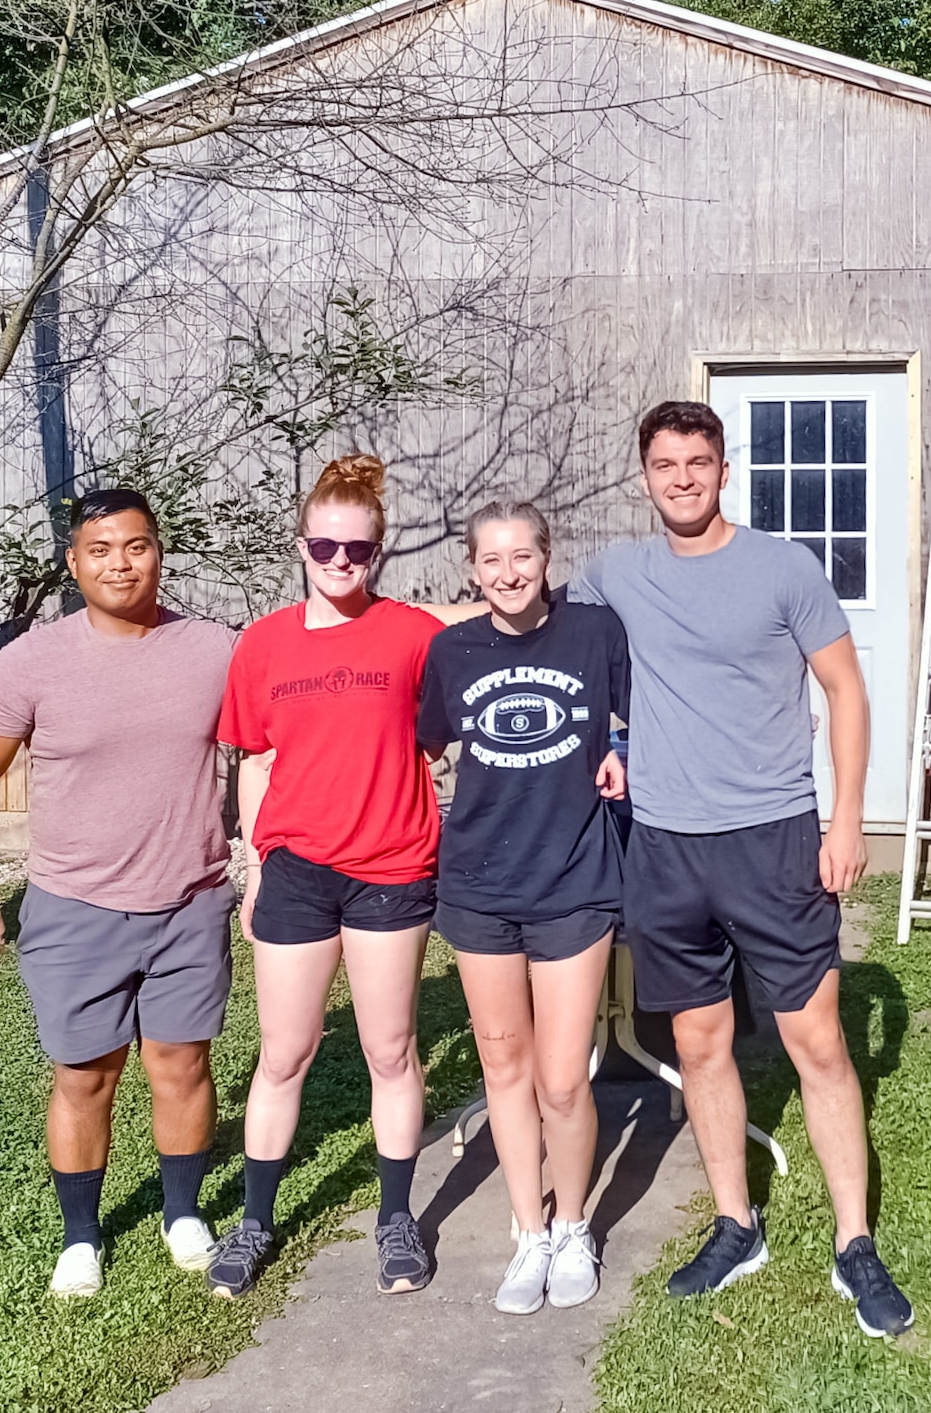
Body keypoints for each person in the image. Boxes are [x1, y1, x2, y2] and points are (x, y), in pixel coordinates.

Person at [568, 400, 915, 1338]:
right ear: (644, 474)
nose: (681, 478)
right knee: (702, 1046)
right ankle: (737, 1224)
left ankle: (853, 1243)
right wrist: (610, 736)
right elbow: (548, 637)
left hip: (773, 838)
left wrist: (844, 820)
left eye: (698, 461)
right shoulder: (616, 574)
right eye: (664, 463)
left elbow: (844, 689)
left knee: (818, 1043)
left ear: (725, 470)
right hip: (666, 847)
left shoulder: (781, 567)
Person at [0, 488, 239, 1299]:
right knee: (85, 1075)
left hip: (189, 900)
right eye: (101, 550)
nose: (120, 563)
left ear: (158, 553)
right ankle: (81, 1236)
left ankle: (183, 1211)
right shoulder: (33, 660)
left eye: (136, 546)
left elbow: (278, 740)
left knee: (181, 1064)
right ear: (74, 564)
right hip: (74, 908)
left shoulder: (214, 649)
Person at [205, 454, 446, 1299]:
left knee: (389, 1050)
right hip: (297, 871)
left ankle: (394, 1220)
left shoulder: (415, 635)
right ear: (301, 546)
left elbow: (487, 640)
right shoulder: (263, 643)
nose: (341, 563)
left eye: (359, 551)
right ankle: (255, 1223)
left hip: (392, 868)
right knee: (284, 1054)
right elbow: (255, 761)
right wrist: (254, 866)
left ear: (379, 553)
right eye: (325, 547)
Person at [416, 500, 630, 1315]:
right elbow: (422, 746)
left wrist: (620, 754)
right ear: (473, 569)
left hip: (574, 880)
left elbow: (642, 720)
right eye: (491, 560)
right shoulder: (451, 651)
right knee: (503, 1068)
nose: (508, 573)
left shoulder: (593, 635)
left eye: (523, 557)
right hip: (478, 887)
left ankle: (573, 1226)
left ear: (548, 557)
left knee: (563, 1079)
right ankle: (527, 1232)